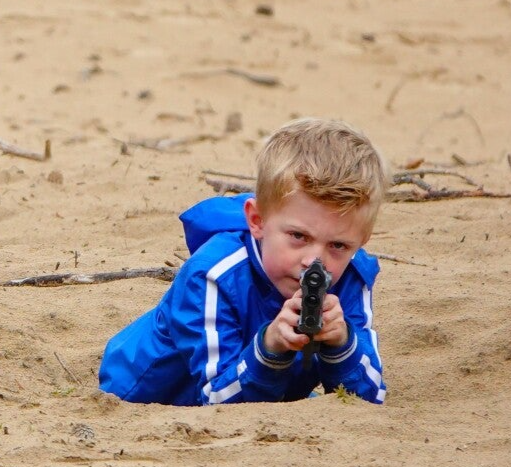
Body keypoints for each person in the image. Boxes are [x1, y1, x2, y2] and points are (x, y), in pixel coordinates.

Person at [99, 118, 389, 405]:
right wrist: (270, 348)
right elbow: (216, 398)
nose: (314, 261)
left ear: (361, 240)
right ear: (257, 220)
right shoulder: (214, 274)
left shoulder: (350, 274)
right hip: (150, 394)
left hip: (254, 387)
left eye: (338, 245)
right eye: (298, 236)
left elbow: (371, 396)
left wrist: (343, 343)